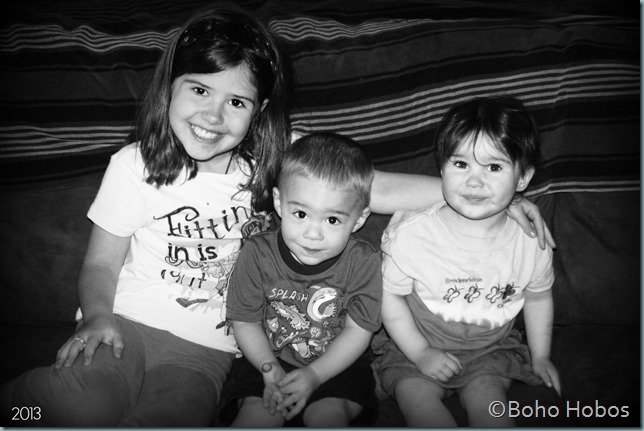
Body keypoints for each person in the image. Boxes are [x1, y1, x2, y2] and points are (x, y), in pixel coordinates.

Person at [0, 3, 554, 425]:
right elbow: (100, 263)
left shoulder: (276, 159)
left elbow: (374, 187)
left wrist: (491, 196)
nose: (213, 115)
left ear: (259, 109)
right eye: (199, 90)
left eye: (237, 102)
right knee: (85, 407)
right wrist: (97, 315)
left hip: (208, 349)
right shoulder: (134, 165)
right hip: (126, 321)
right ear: (168, 87)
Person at [373, 95, 561, 427]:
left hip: (489, 351)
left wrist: (541, 355)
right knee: (418, 400)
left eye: (494, 167)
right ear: (441, 168)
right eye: (461, 164)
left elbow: (538, 296)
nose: (474, 181)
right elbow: (389, 296)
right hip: (414, 347)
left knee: (489, 402)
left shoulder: (532, 241)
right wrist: (420, 352)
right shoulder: (411, 234)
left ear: (522, 178)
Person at [219, 132, 381, 427]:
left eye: (332, 220)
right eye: (301, 214)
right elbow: (244, 320)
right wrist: (269, 369)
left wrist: (316, 374)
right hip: (265, 357)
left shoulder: (363, 262)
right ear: (279, 203)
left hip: (338, 364)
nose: (313, 234)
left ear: (358, 219)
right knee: (258, 414)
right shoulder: (257, 253)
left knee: (326, 416)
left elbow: (358, 331)